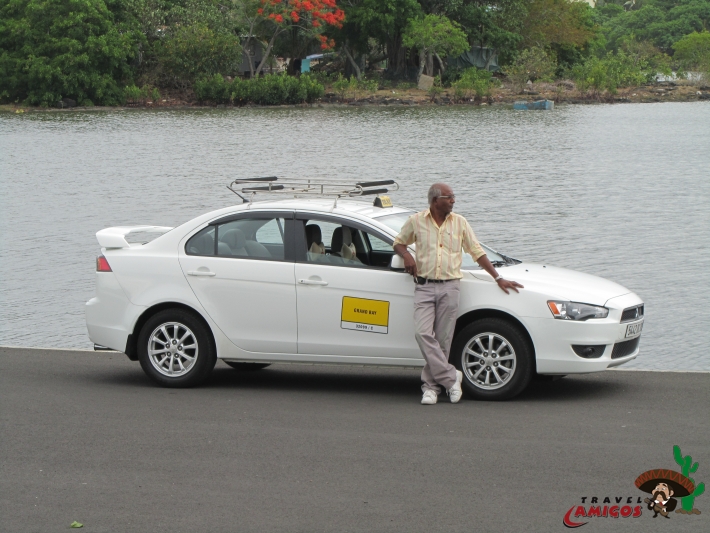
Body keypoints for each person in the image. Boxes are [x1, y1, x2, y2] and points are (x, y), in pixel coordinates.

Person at [393, 183, 524, 405]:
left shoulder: (460, 222)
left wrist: (497, 277)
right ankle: (451, 377)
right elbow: (398, 243)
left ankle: (431, 388)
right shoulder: (416, 221)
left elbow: (477, 252)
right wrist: (406, 255)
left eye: (453, 197)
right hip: (424, 286)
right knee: (422, 334)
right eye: (449, 197)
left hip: (450, 286)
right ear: (436, 200)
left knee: (443, 340)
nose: (453, 200)